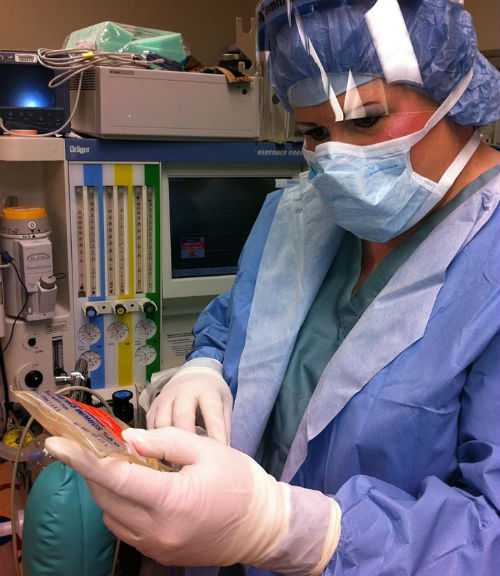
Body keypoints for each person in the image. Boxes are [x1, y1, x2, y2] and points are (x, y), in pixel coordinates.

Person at [46, 1, 500, 574]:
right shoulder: (299, 216)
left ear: (457, 96)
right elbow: (231, 327)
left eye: (365, 121)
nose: (335, 157)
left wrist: (295, 530)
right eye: (313, 132)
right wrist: (202, 370)